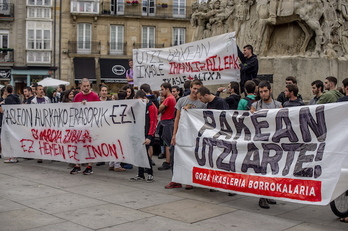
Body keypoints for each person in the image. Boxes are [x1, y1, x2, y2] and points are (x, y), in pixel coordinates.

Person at [166, 80, 206, 189]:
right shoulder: (182, 101)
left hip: (194, 135)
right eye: (194, 88)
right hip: (181, 133)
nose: (195, 91)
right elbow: (177, 118)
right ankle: (176, 179)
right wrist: (174, 134)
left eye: (198, 89)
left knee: (191, 157)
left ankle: (190, 180)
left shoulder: (203, 103)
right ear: (190, 88)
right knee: (175, 155)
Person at [250, 81, 282, 209]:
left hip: (274, 142)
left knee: (272, 169)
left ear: (270, 90)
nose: (263, 94)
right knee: (262, 169)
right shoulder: (255, 105)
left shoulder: (278, 105)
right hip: (261, 143)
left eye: (265, 91)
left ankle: (268, 194)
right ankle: (262, 197)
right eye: (261, 92)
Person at [70, 78, 100, 175]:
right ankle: (77, 165)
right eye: (84, 86)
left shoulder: (94, 96)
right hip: (79, 124)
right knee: (78, 145)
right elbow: (73, 110)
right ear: (81, 86)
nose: (86, 88)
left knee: (89, 145)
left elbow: (101, 108)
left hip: (90, 125)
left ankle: (89, 165)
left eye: (88, 86)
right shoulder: (78, 96)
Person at [130, 90, 158, 183]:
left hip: (147, 134)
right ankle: (140, 174)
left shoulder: (151, 107)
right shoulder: (140, 106)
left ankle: (150, 173)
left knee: (145, 154)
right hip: (139, 133)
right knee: (139, 153)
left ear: (144, 98)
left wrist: (149, 136)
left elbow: (153, 122)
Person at [157, 83, 176, 171]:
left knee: (168, 143)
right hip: (166, 121)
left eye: (162, 89)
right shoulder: (170, 98)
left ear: (167, 89)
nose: (161, 91)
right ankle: (169, 161)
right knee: (166, 142)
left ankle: (169, 162)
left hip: (167, 122)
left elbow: (160, 108)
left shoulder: (169, 98)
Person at [2, 85, 21, 163]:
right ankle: (15, 155)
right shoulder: (17, 99)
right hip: (17, 121)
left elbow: (5, 111)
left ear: (6, 91)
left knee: (9, 139)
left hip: (10, 122)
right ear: (12, 90)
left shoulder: (7, 99)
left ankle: (12, 157)